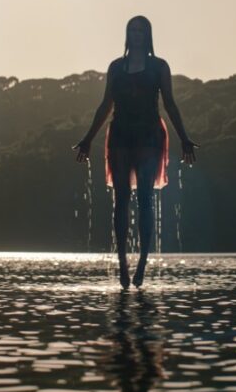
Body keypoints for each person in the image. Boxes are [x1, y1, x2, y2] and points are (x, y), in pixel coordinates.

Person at [72, 15, 198, 290]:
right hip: (120, 136)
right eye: (133, 30)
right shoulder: (116, 67)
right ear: (127, 35)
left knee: (144, 200)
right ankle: (122, 264)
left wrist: (185, 139)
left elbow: (171, 105)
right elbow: (105, 104)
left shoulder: (159, 67)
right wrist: (87, 138)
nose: (137, 34)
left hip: (149, 137)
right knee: (120, 201)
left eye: (141, 30)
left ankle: (142, 261)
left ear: (148, 35)